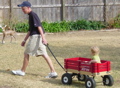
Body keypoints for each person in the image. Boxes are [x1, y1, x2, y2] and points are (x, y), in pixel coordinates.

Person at [12, 1, 57, 78]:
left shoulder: (33, 15)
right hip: (37, 36)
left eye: (24, 9)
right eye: (22, 9)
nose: (23, 10)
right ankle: (53, 72)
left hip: (36, 37)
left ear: (29, 8)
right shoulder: (30, 16)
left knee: (26, 53)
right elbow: (30, 30)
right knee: (44, 54)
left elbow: (39, 27)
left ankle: (22, 71)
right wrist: (24, 40)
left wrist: (44, 38)